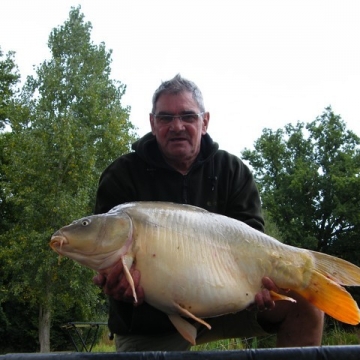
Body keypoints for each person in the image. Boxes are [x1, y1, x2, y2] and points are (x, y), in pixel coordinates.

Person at [93, 74, 324, 352]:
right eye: (166, 118)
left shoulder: (231, 171)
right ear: (153, 123)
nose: (177, 126)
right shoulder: (122, 176)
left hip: (232, 303)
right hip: (151, 321)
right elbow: (104, 253)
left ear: (205, 122)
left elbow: (253, 243)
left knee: (308, 305)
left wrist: (263, 286)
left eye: (188, 116)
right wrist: (115, 284)